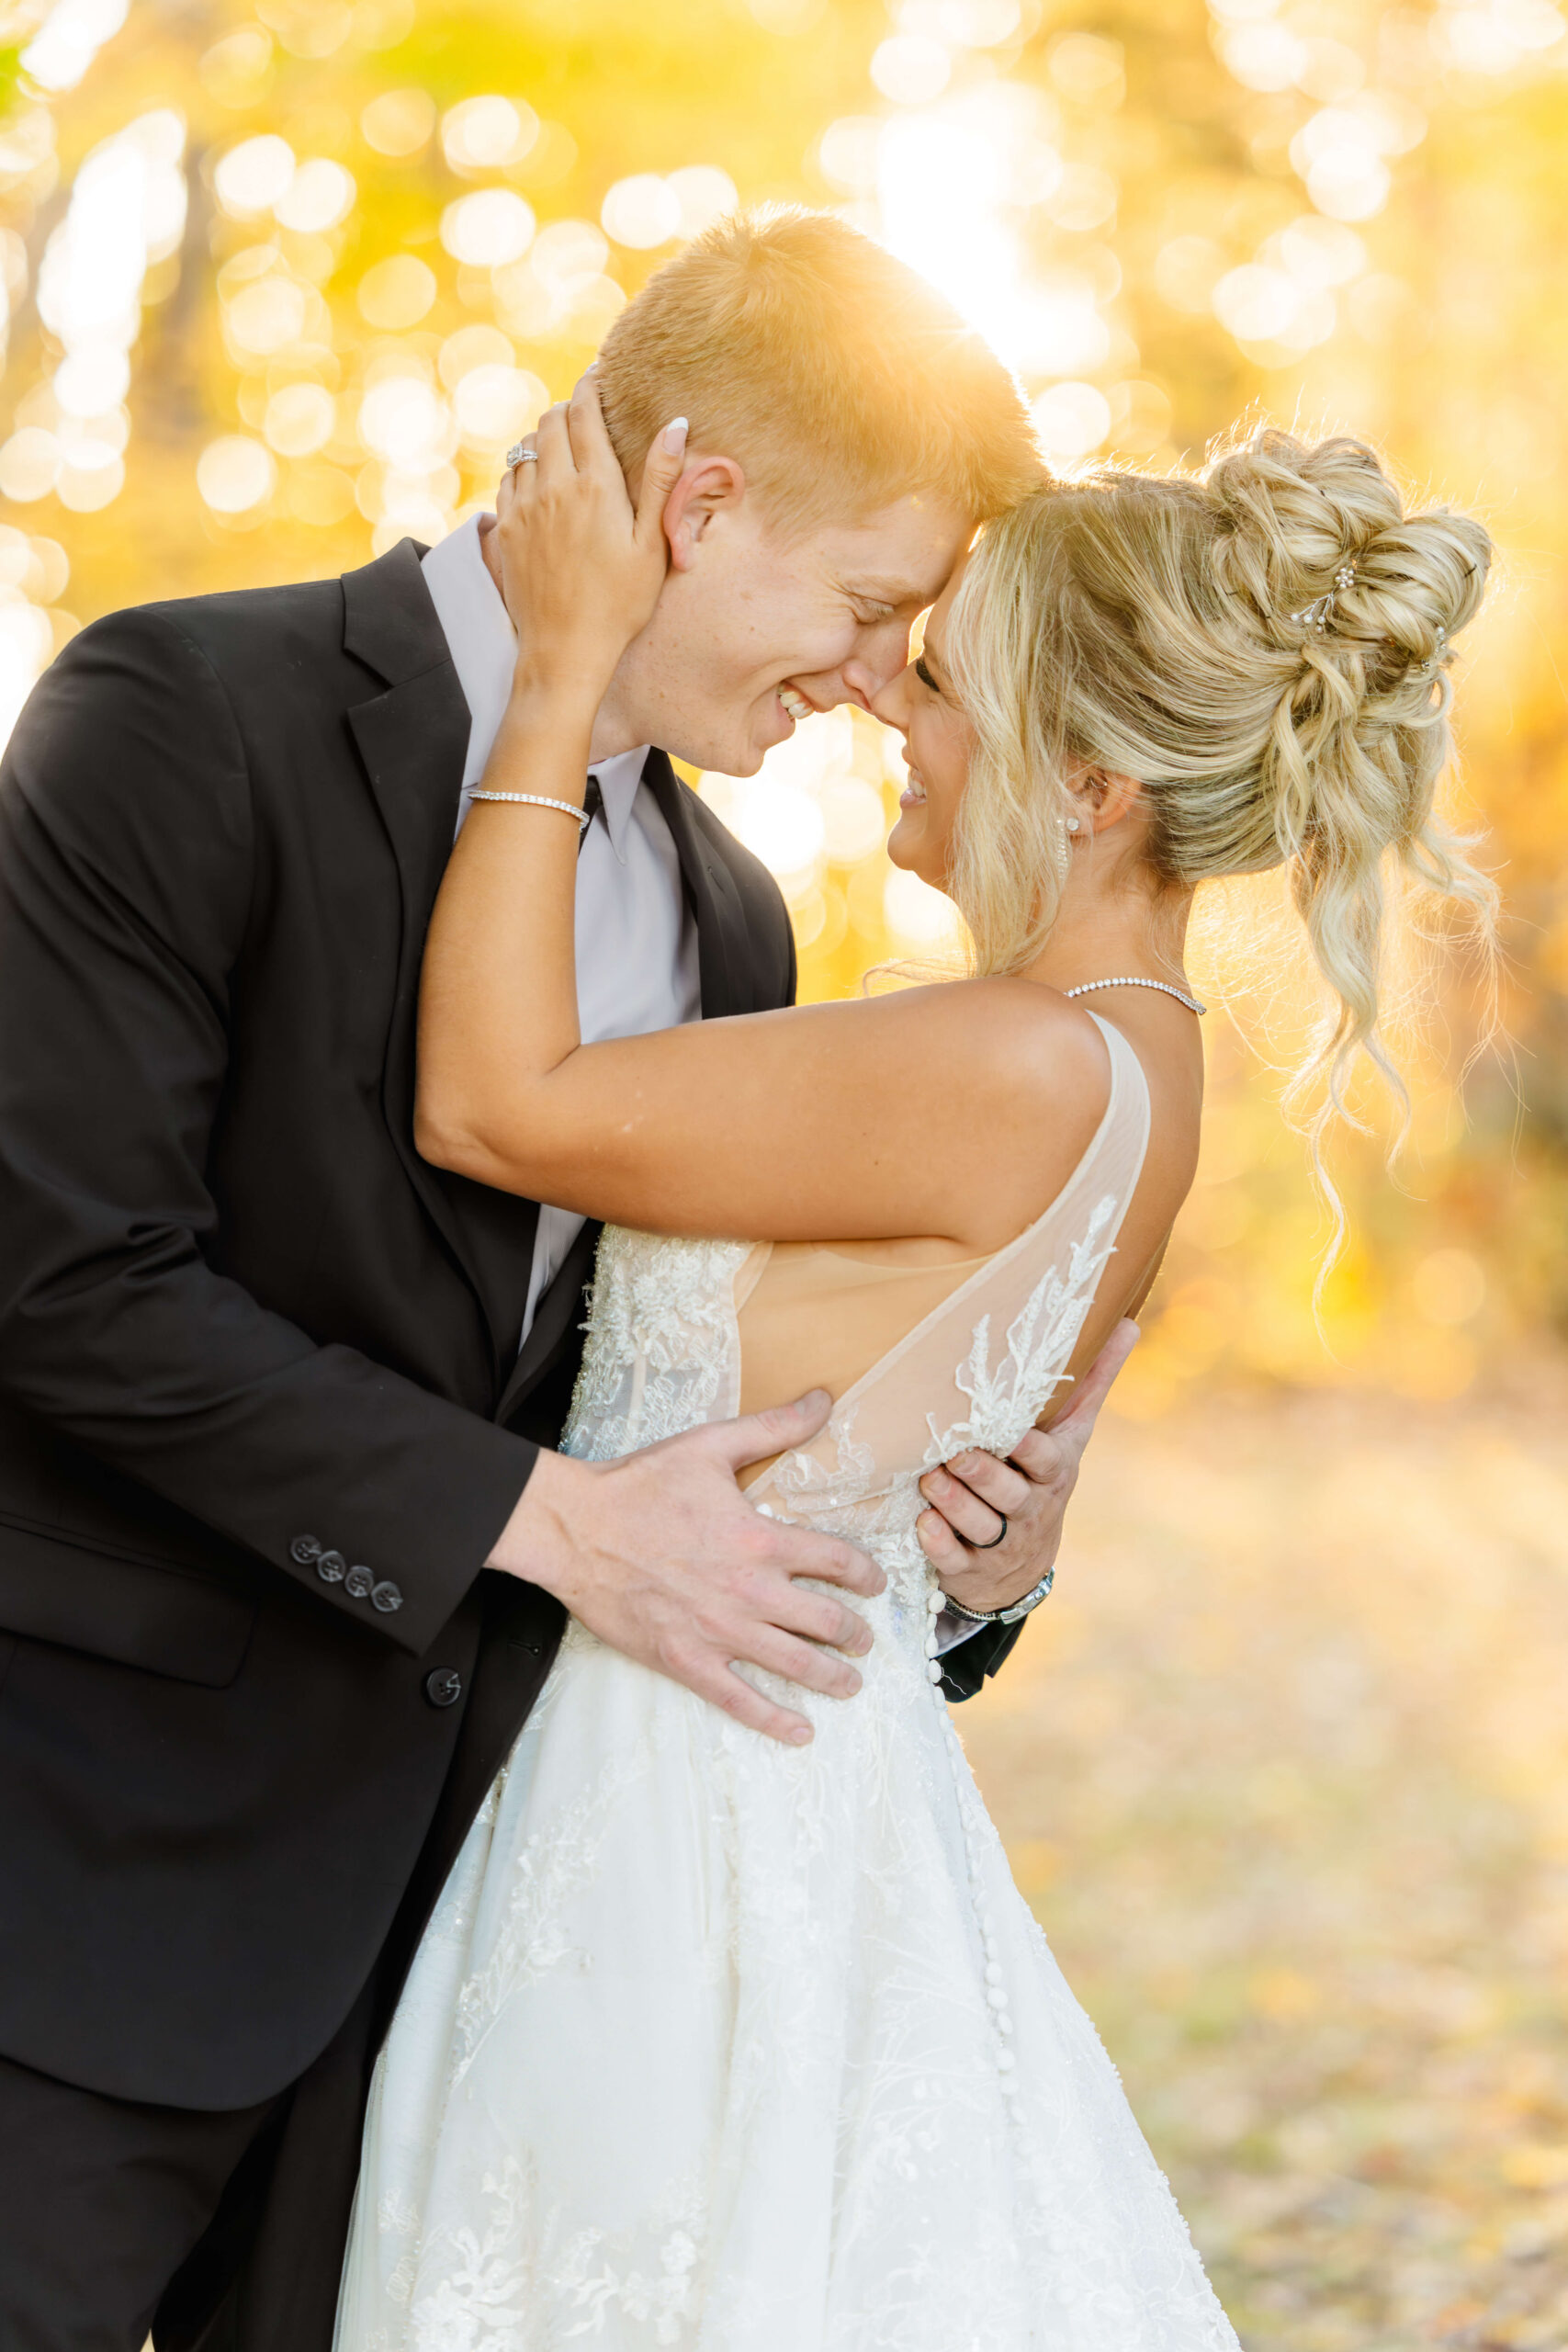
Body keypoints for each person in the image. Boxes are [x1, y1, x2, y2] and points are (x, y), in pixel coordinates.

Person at [0, 212, 1107, 2352]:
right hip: (77, 1901)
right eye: (872, 605)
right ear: (696, 504)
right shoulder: (181, 710)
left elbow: (691, 1435)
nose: (879, 681)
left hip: (457, 1973)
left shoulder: (728, 919)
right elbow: (61, 1278)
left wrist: (965, 1565)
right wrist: (549, 1526)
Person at [331, 376, 1495, 2347]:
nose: (889, 701)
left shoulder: (1004, 1058)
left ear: (1082, 783)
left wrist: (556, 675)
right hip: (812, 1790)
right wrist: (1005, 1554)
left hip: (684, 1820)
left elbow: (494, 1100)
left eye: (944, 680)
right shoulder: (1141, 1059)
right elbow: (957, 1494)